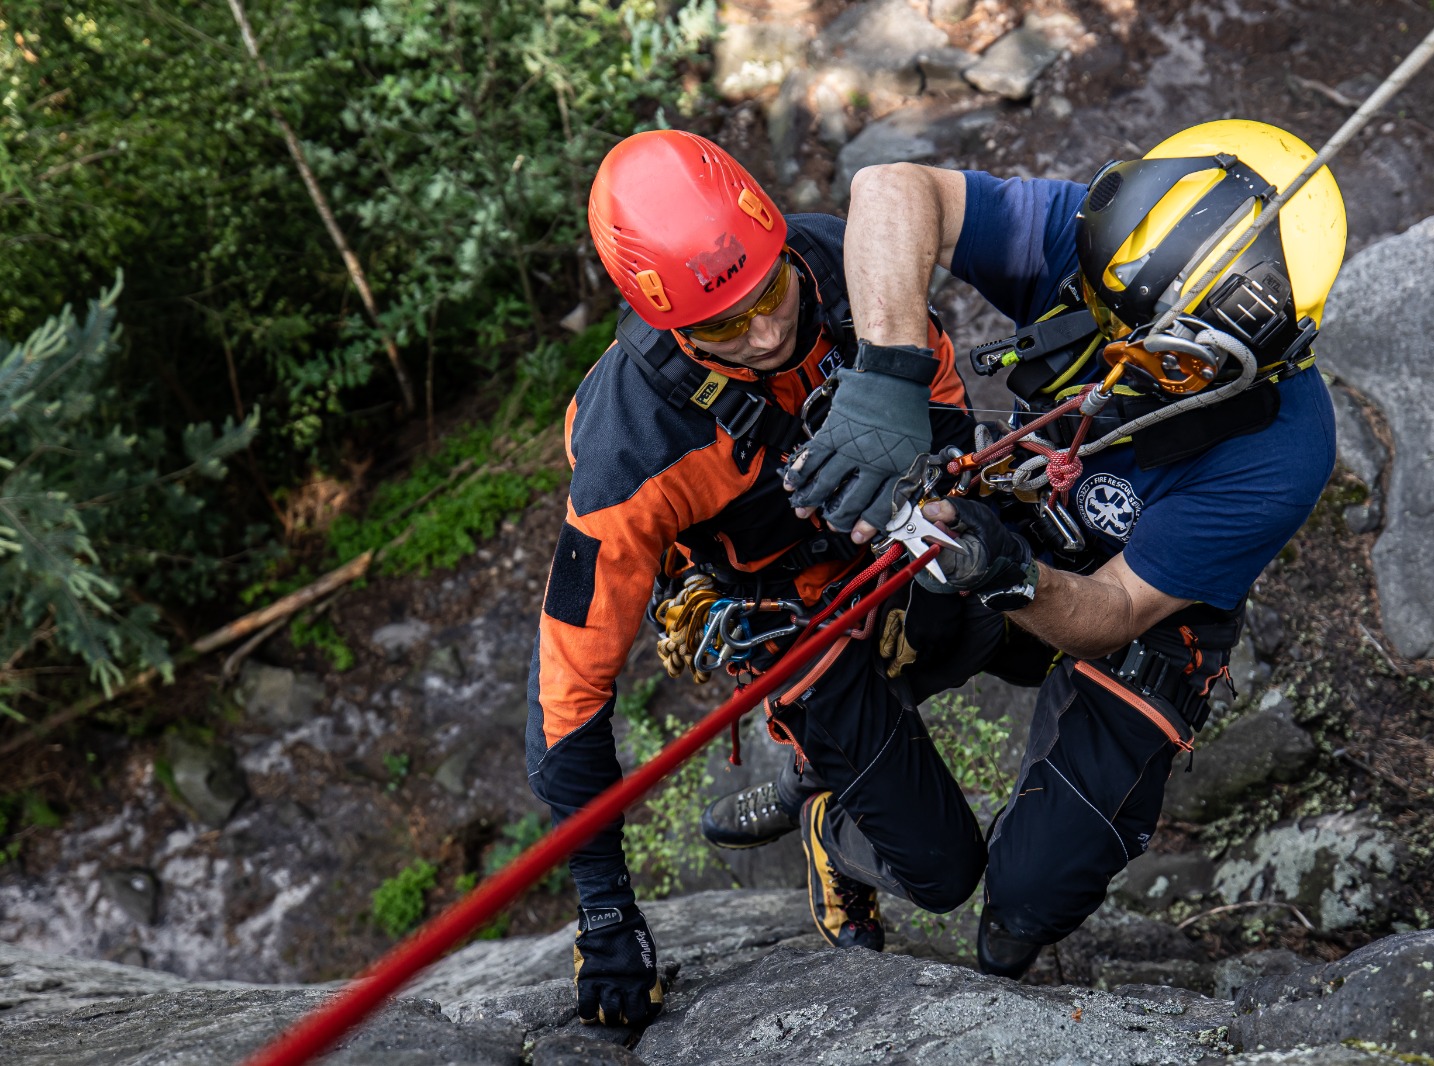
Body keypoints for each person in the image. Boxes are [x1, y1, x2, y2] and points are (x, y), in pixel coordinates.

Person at [732, 118, 1347, 977]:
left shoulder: (1280, 453)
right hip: (1023, 511)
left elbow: (1119, 609)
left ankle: (1009, 928)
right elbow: (893, 188)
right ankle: (830, 804)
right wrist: (888, 379)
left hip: (1143, 611)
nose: (1102, 329)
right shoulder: (1114, 248)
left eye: (1134, 337)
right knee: (871, 656)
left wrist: (1011, 577)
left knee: (1027, 905)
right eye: (1097, 299)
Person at [525, 129, 1020, 1029]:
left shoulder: (844, 263)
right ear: (669, 322)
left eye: (769, 294)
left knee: (1011, 614)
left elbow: (942, 393)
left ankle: (822, 766)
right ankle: (832, 817)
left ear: (780, 245)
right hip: (788, 623)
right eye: (723, 326)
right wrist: (605, 912)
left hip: (890, 549)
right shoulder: (630, 446)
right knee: (947, 874)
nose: (766, 333)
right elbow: (567, 699)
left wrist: (953, 507)